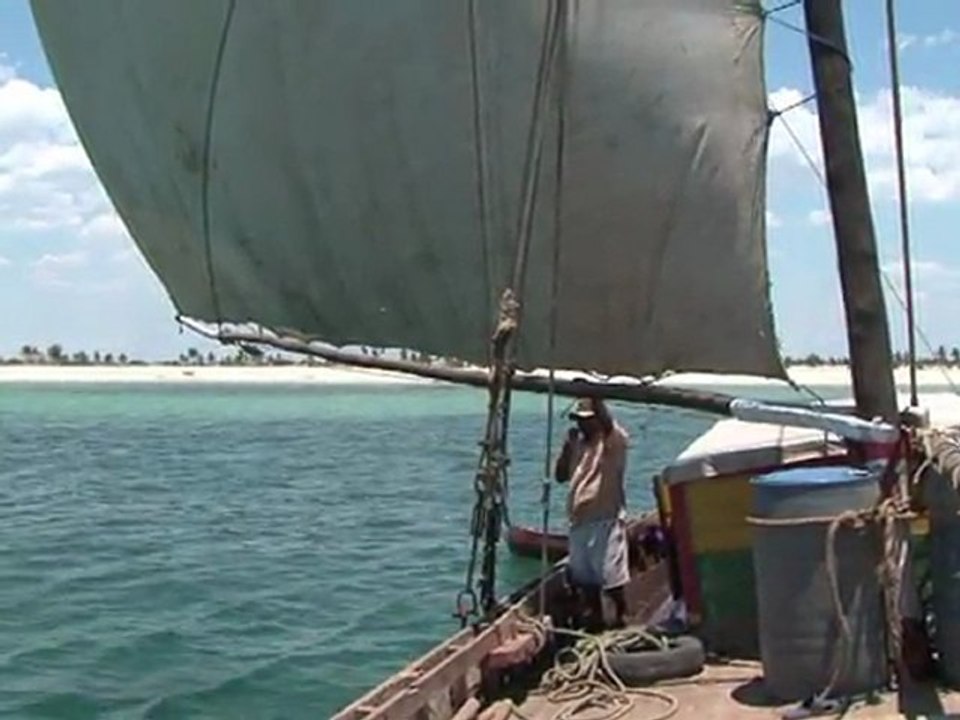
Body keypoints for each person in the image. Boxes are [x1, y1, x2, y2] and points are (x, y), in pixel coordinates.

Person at [554, 396, 630, 630]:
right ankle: (596, 622)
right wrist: (566, 448)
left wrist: (593, 394)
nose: (582, 425)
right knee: (586, 580)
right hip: (578, 522)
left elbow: (608, 423)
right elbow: (560, 476)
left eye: (587, 420)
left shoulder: (611, 443)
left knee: (610, 578)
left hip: (605, 520)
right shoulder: (579, 445)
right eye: (578, 420)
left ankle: (620, 620)